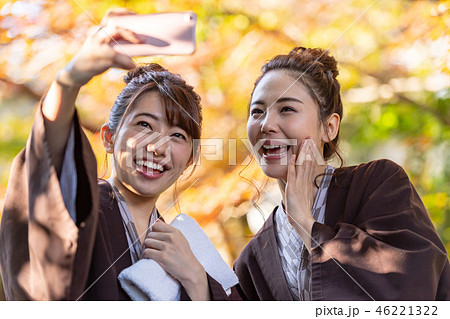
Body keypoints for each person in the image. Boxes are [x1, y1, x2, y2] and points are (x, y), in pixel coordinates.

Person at [0, 10, 235, 301]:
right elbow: (49, 160)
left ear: (190, 160)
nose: (158, 147)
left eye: (177, 135)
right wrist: (70, 80)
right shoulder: (81, 207)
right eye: (144, 125)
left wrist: (196, 279)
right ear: (109, 138)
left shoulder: (184, 244)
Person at [233, 46, 450, 300]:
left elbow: (412, 288)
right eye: (257, 112)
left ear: (329, 127)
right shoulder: (253, 259)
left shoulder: (379, 185)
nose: (266, 125)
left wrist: (306, 223)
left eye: (287, 109)